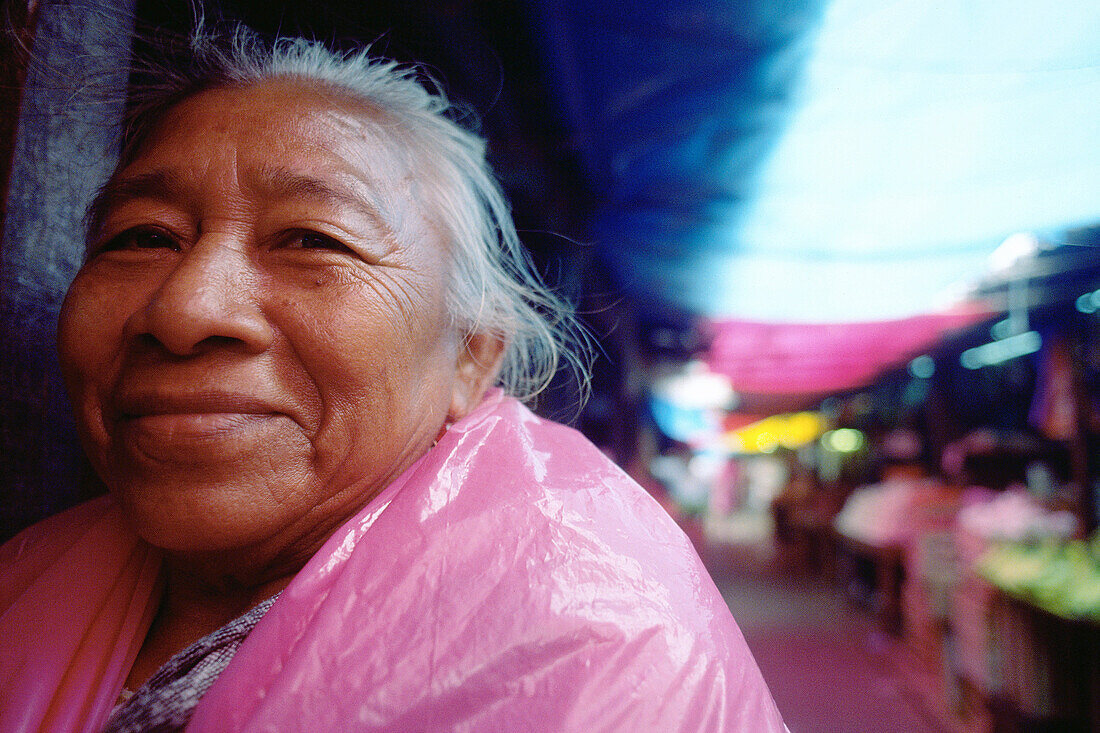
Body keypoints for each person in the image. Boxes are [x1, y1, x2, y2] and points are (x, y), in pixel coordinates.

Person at [0, 25, 786, 732]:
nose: (186, 308)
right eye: (142, 236)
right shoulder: (28, 578)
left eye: (314, 239)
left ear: (471, 357)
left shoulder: (591, 644)